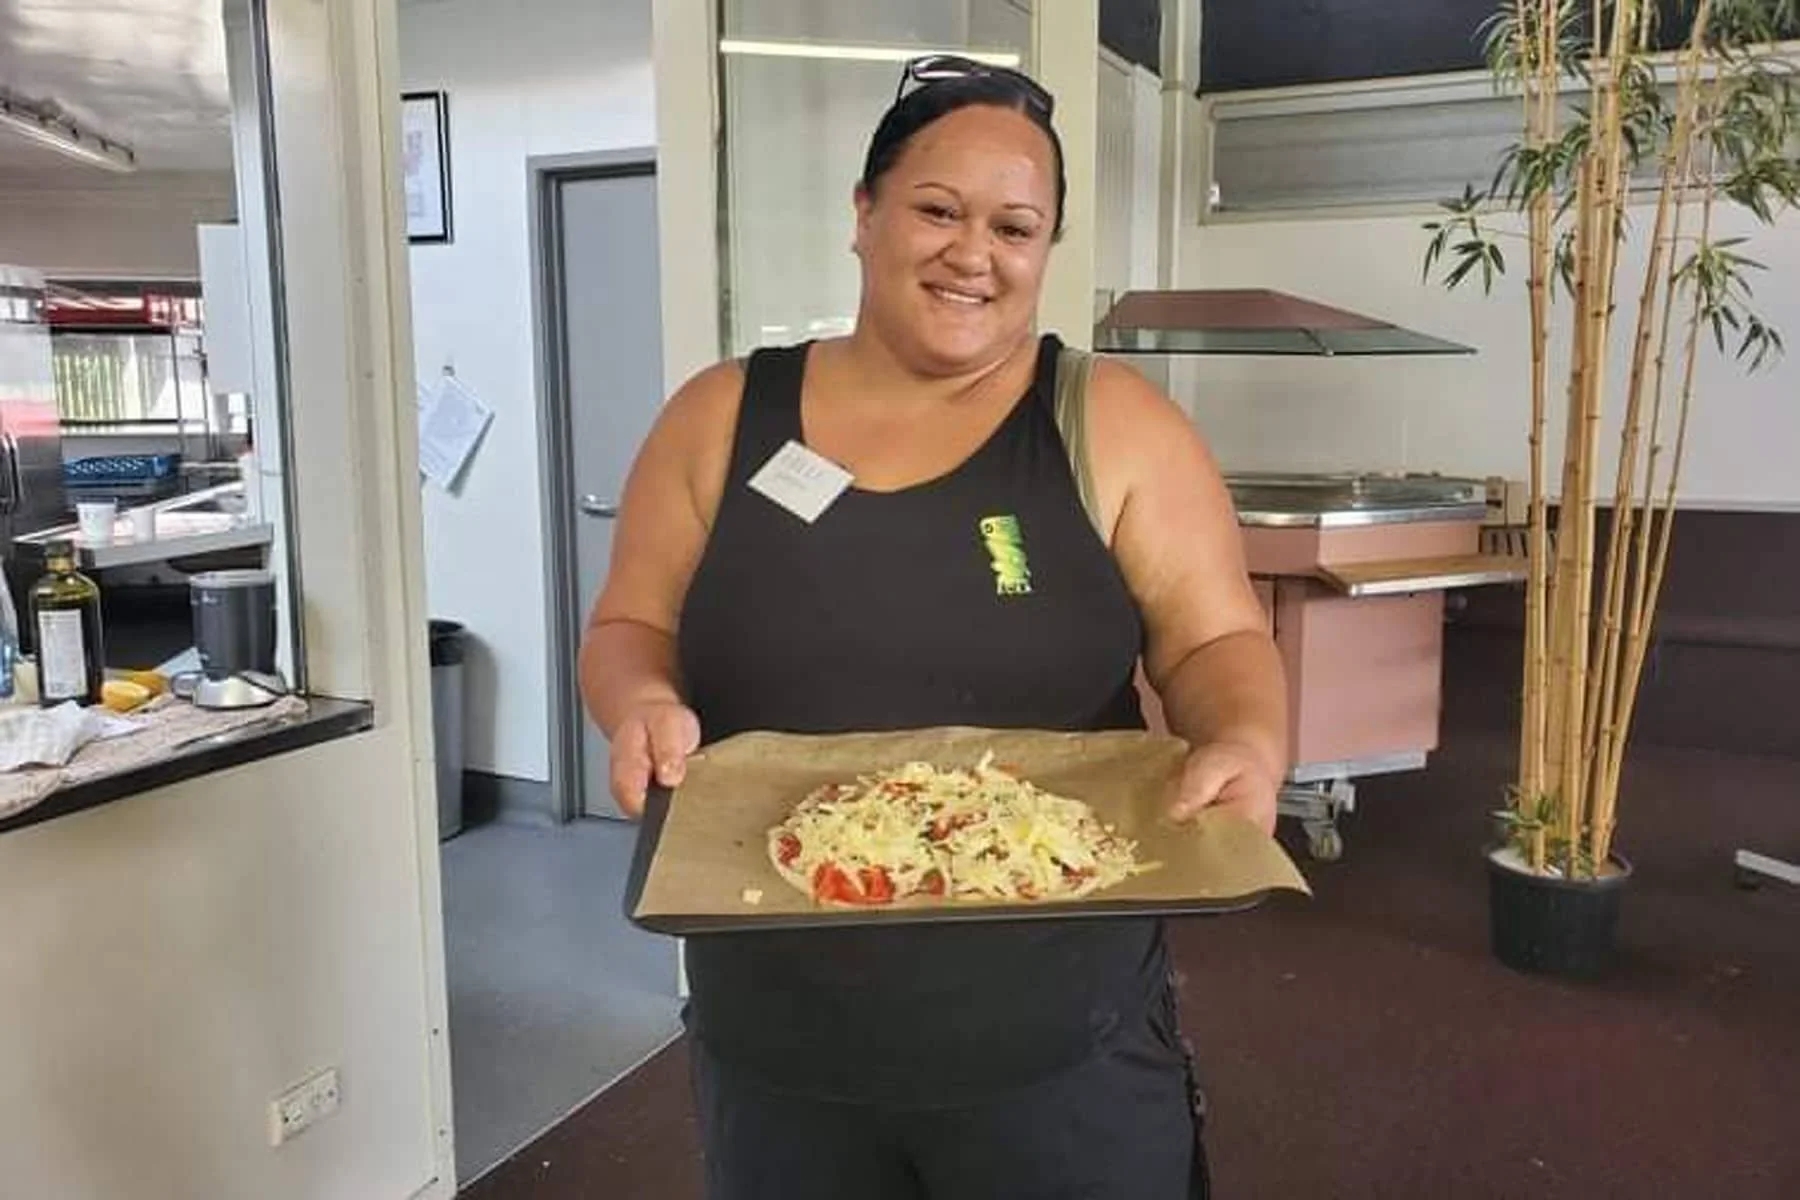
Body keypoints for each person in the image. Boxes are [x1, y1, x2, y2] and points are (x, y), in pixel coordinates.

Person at [580, 53, 1288, 1200]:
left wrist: (1245, 740)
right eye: (937, 210)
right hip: (777, 1039)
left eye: (1017, 227)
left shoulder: (1112, 424)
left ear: (1046, 252)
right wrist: (640, 703)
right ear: (864, 215)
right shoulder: (721, 416)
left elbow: (1215, 643)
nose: (975, 253)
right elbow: (629, 623)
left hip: (1059, 1041)